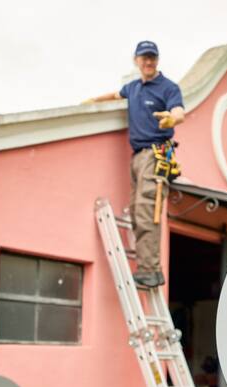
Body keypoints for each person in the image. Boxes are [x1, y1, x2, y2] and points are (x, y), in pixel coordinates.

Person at [83, 40, 185, 287]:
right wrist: (92, 101)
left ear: (157, 60)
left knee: (146, 210)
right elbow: (115, 95)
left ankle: (150, 270)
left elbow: (179, 112)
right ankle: (149, 267)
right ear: (136, 60)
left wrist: (171, 120)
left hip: (156, 154)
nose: (148, 62)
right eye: (144, 57)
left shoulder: (168, 88)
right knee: (138, 212)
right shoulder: (133, 88)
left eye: (152, 57)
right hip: (138, 157)